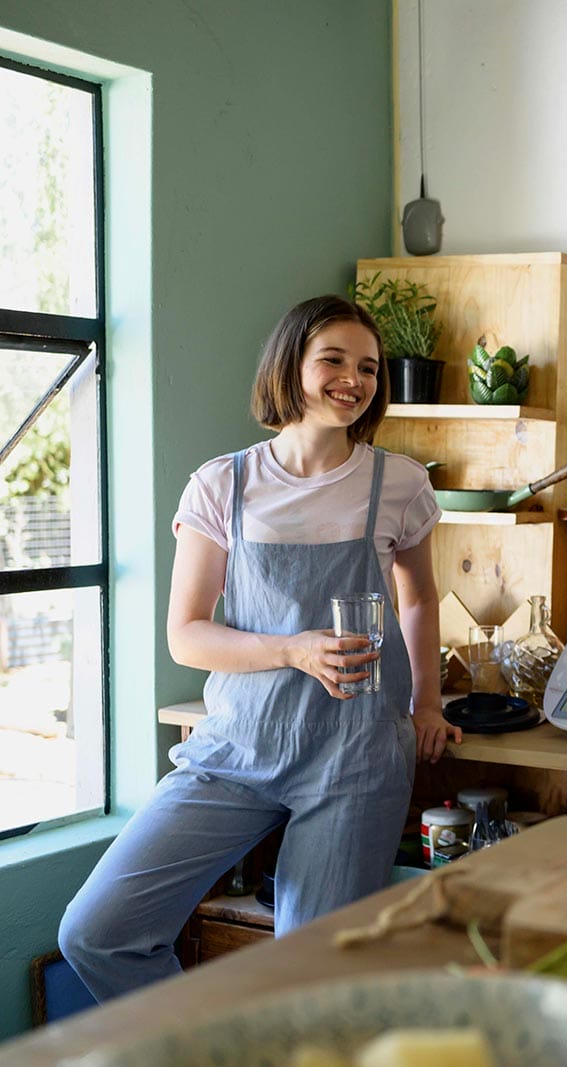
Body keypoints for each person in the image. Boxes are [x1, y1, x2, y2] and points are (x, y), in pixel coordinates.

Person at [59, 295, 462, 1001]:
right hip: (236, 748)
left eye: (368, 367)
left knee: (305, 981)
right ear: (290, 366)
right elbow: (186, 633)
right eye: (332, 359)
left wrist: (425, 702)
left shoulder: (397, 482)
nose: (354, 378)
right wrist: (294, 649)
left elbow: (421, 598)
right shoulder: (222, 484)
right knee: (96, 930)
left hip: (356, 754)